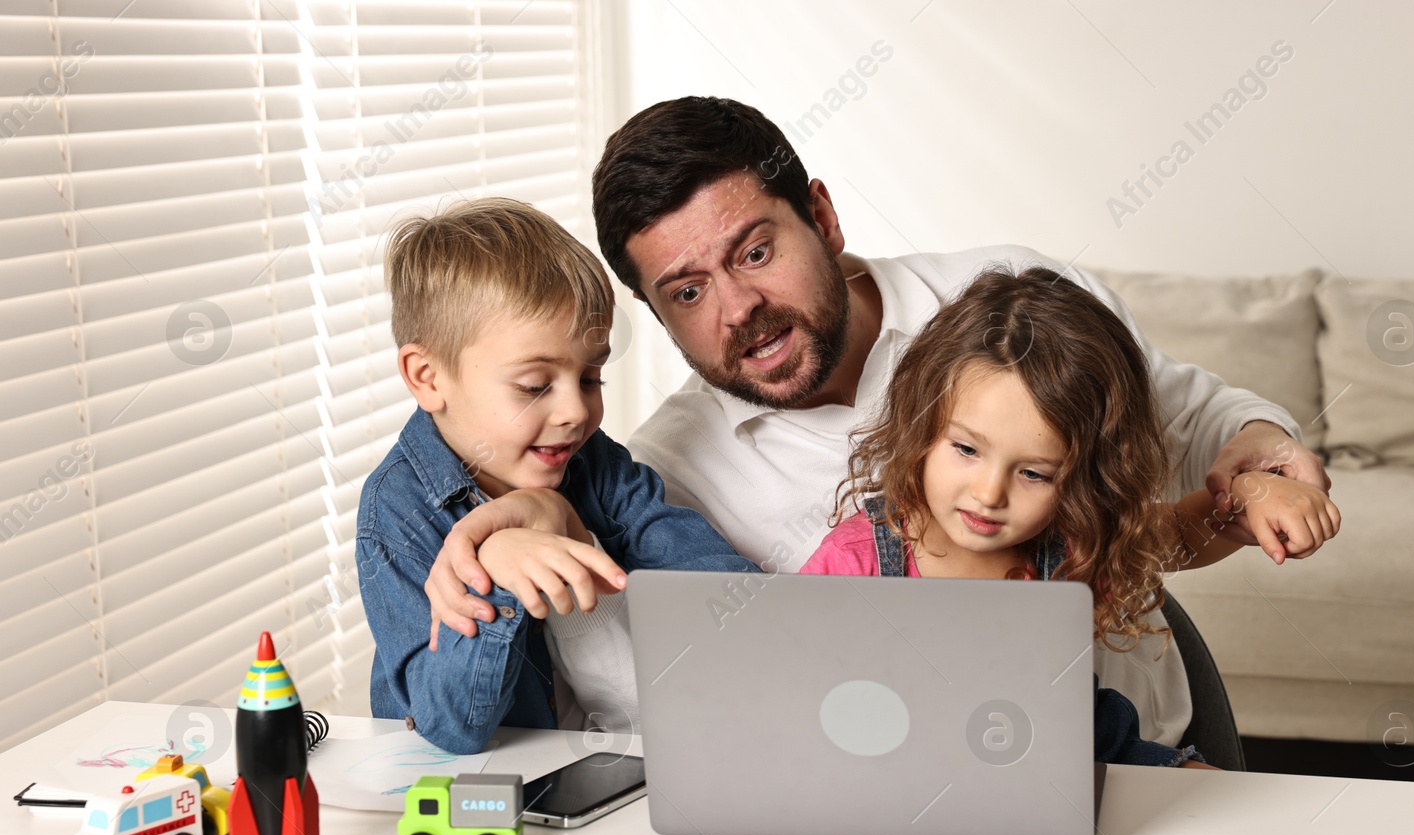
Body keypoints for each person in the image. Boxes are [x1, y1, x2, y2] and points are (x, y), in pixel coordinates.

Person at [427, 96, 1335, 747]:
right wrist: (541, 523)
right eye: (689, 291)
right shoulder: (663, 473)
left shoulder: (1008, 308)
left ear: (821, 215)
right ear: (659, 318)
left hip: (1136, 761)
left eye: (755, 250)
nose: (740, 307)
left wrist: (1257, 453)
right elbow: (659, 703)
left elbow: (1189, 428)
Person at [800, 266, 1340, 766]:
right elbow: (795, 678)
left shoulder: (1075, 540)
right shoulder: (858, 560)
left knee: (1212, 803)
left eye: (1035, 474)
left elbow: (1184, 529)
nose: (989, 494)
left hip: (1069, 760)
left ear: (1084, 479)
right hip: (907, 768)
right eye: (966, 450)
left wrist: (1255, 490)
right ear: (921, 429)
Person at [356, 198, 757, 755]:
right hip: (493, 790)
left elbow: (737, 601)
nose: (575, 412)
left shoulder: (592, 462)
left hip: (612, 767)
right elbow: (449, 725)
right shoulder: (397, 511)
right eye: (535, 385)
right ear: (427, 377)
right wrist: (494, 571)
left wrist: (572, 529)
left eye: (591, 378)